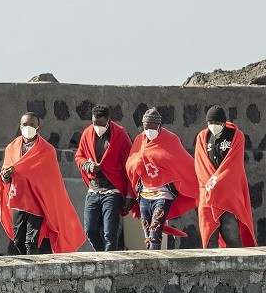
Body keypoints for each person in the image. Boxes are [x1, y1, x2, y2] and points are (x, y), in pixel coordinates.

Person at [0, 112, 85, 254]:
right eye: (25, 125)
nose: (28, 128)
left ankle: (34, 273)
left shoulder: (47, 150)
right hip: (18, 200)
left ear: (38, 127)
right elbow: (4, 177)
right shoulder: (11, 148)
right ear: (20, 126)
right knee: (18, 240)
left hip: (37, 202)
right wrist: (6, 176)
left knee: (31, 242)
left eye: (32, 125)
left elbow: (51, 180)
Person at [125, 108, 199, 250]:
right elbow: (131, 164)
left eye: (153, 128)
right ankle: (151, 265)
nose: (149, 131)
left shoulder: (171, 139)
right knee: (147, 233)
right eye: (147, 128)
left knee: (155, 230)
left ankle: (155, 265)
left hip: (163, 193)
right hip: (144, 194)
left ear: (159, 126)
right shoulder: (140, 140)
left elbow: (182, 161)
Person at [194, 106, 256, 248]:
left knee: (231, 231)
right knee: (209, 234)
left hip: (228, 191)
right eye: (210, 123)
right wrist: (209, 182)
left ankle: (241, 266)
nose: (213, 126)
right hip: (208, 191)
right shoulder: (203, 137)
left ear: (223, 122)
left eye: (217, 123)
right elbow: (200, 163)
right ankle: (210, 268)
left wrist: (217, 180)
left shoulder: (235, 135)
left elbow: (233, 164)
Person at [73, 105, 133, 251]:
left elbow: (130, 165)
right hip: (93, 190)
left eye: (101, 124)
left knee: (110, 234)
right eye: (95, 124)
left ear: (108, 121)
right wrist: (88, 166)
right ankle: (104, 256)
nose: (97, 127)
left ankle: (110, 260)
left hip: (112, 191)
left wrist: (130, 194)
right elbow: (79, 156)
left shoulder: (120, 134)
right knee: (90, 230)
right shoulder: (88, 133)